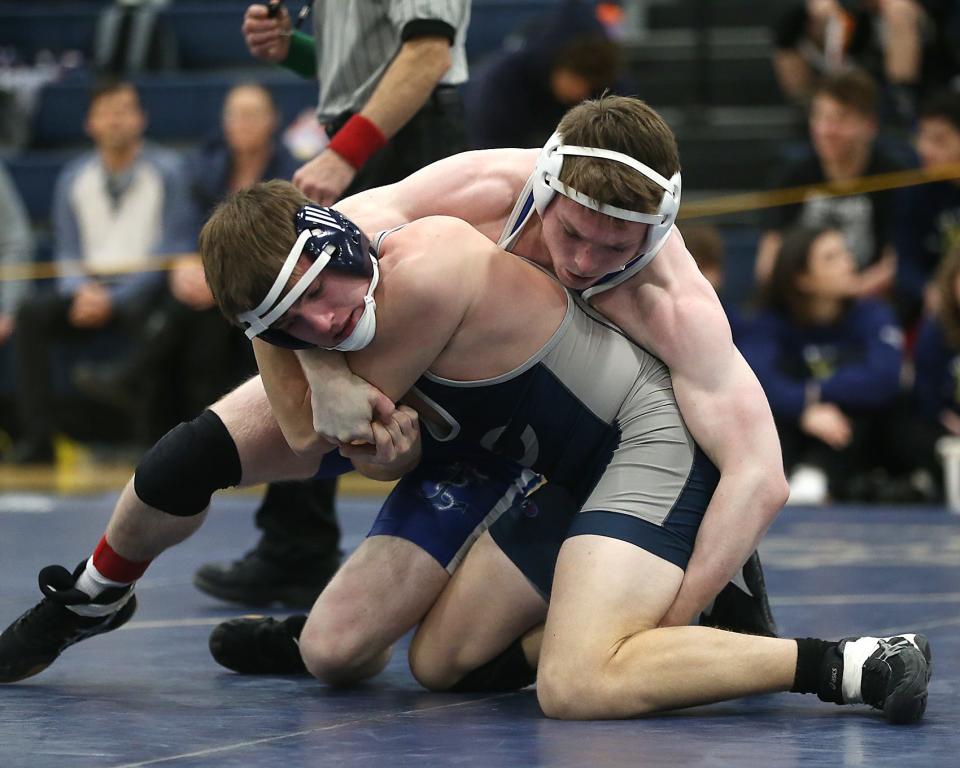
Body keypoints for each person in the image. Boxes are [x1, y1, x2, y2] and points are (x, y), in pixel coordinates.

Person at [0, 182, 932, 726]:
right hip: (495, 454)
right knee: (400, 660)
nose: (331, 317)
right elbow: (354, 434)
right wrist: (284, 338)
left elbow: (316, 435)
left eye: (328, 293)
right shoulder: (344, 250)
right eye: (298, 320)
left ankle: (834, 662)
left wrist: (317, 372)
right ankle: (95, 594)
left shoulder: (450, 241)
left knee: (575, 682)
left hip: (617, 449)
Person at [193, 0, 471, 607]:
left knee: (377, 337)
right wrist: (293, 49)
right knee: (308, 325)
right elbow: (363, 64)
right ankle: (302, 541)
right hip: (376, 127)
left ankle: (319, 544)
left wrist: (347, 150)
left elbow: (429, 53)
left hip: (405, 134)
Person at [8, 77, 193, 464]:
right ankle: (39, 440)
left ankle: (151, 443)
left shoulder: (169, 172)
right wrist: (81, 291)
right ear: (89, 123)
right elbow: (66, 248)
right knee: (29, 315)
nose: (115, 121)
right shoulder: (74, 177)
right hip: (88, 289)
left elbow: (171, 248)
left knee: (171, 312)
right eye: (105, 113)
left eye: (124, 111)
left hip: (144, 288)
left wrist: (115, 299)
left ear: (141, 118)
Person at [741, 225, 904, 503]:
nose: (849, 263)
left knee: (861, 408)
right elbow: (756, 381)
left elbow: (885, 377)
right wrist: (804, 409)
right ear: (803, 279)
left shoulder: (873, 312)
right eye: (832, 258)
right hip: (794, 429)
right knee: (766, 412)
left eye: (846, 253)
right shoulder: (769, 320)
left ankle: (817, 473)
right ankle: (778, 477)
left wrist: (813, 396)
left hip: (855, 432)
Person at [754, 69, 905, 299]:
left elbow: (896, 264)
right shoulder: (791, 174)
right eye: (820, 117)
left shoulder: (894, 177)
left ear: (869, 126)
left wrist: (847, 293)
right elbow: (768, 262)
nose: (826, 130)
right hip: (802, 302)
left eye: (840, 119)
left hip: (868, 302)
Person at [465, 0, 623, 149]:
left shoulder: (611, 91)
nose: (580, 91)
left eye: (589, 83)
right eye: (575, 77)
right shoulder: (503, 86)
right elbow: (492, 153)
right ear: (555, 64)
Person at [894, 89, 960, 328]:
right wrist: (927, 290)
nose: (925, 149)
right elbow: (905, 261)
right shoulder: (916, 190)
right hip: (934, 311)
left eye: (939, 140)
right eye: (921, 137)